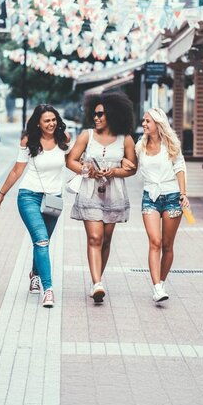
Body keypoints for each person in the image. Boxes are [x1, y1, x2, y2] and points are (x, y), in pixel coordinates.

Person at [0, 104, 70, 308]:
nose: (51, 124)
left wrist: (87, 172)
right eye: (47, 121)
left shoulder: (64, 138)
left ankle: (34, 274)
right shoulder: (29, 141)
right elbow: (17, 171)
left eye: (53, 119)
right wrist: (1, 194)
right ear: (38, 123)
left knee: (42, 241)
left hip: (54, 198)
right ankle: (48, 290)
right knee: (42, 241)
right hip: (29, 196)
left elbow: (71, 162)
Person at [66, 92, 137, 303]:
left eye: (100, 114)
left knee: (106, 240)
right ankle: (97, 283)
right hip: (90, 192)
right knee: (95, 238)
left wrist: (114, 171)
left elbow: (132, 168)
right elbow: (70, 160)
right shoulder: (86, 136)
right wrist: (86, 170)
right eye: (94, 114)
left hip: (114, 194)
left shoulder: (126, 139)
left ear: (113, 114)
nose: (95, 118)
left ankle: (96, 280)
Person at [135, 107, 189, 303]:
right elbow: (131, 165)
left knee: (167, 245)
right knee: (155, 241)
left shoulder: (171, 145)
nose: (143, 124)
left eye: (147, 121)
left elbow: (180, 167)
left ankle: (162, 281)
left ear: (158, 124)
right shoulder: (140, 146)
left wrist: (183, 194)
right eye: (143, 120)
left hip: (172, 197)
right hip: (150, 197)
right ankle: (157, 287)